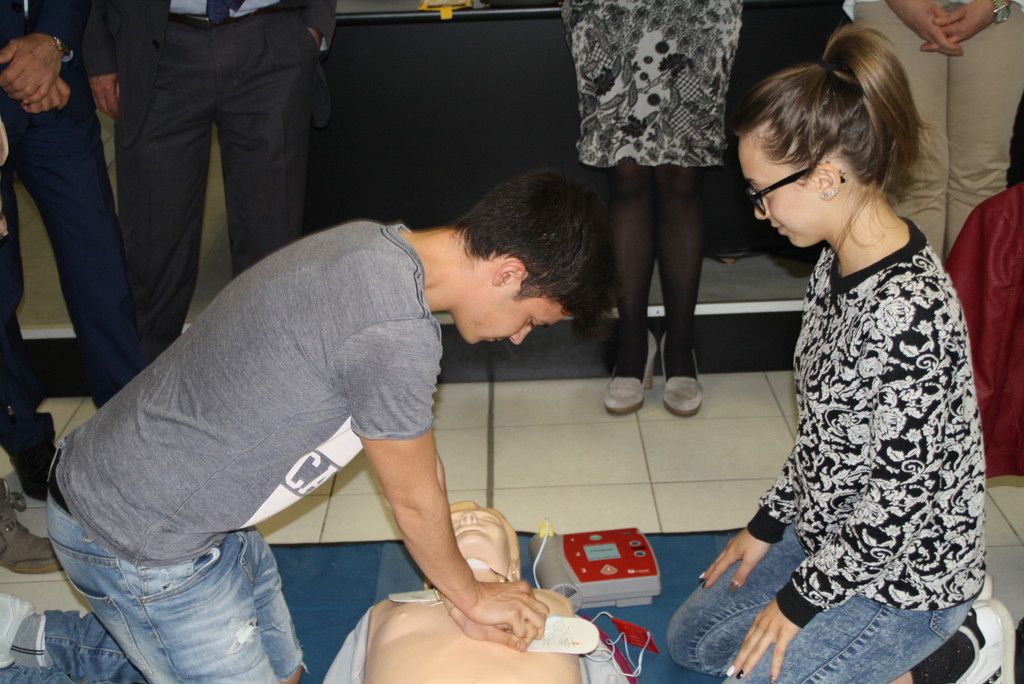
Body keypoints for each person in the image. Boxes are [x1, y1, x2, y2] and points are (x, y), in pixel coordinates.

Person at [0, 170, 616, 683]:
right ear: (508, 272)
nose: (519, 337)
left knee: (286, 672)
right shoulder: (394, 333)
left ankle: (36, 637)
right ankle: (34, 650)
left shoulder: (375, 244)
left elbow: (419, 465)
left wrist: (461, 588)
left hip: (189, 506)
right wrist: (473, 597)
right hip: (137, 535)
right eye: (531, 320)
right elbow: (412, 502)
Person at [665, 24, 1011, 683]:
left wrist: (798, 603)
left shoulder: (910, 310)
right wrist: (769, 523)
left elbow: (897, 506)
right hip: (833, 536)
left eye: (762, 190)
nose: (758, 211)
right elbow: (825, 433)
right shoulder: (834, 264)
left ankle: (964, 644)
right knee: (694, 643)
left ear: (825, 178)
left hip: (908, 578)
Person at [83, 0, 337, 360]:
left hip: (273, 41)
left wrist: (314, 25)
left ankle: (263, 383)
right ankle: (152, 387)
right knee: (154, 257)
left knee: (271, 253)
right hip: (158, 47)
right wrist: (98, 51)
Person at [562, 0, 742, 416]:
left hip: (695, 11)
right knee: (626, 171)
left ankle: (680, 345)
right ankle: (631, 344)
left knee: (684, 172)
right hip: (614, 10)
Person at [0, 0, 146, 501]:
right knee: (1, 289)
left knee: (100, 271)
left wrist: (51, 42)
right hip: (22, 79)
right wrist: (20, 66)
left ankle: (130, 433)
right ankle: (26, 439)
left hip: (56, 90)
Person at [326, 501, 626, 684]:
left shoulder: (550, 603)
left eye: (486, 520)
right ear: (427, 571)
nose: (469, 519)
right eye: (452, 524)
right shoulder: (387, 609)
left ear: (514, 565)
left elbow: (600, 670)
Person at [848, 0, 1024, 257]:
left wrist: (995, 4)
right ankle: (914, 283)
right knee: (911, 177)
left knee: (982, 180)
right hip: (890, 8)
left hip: (997, 11)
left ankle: (972, 284)